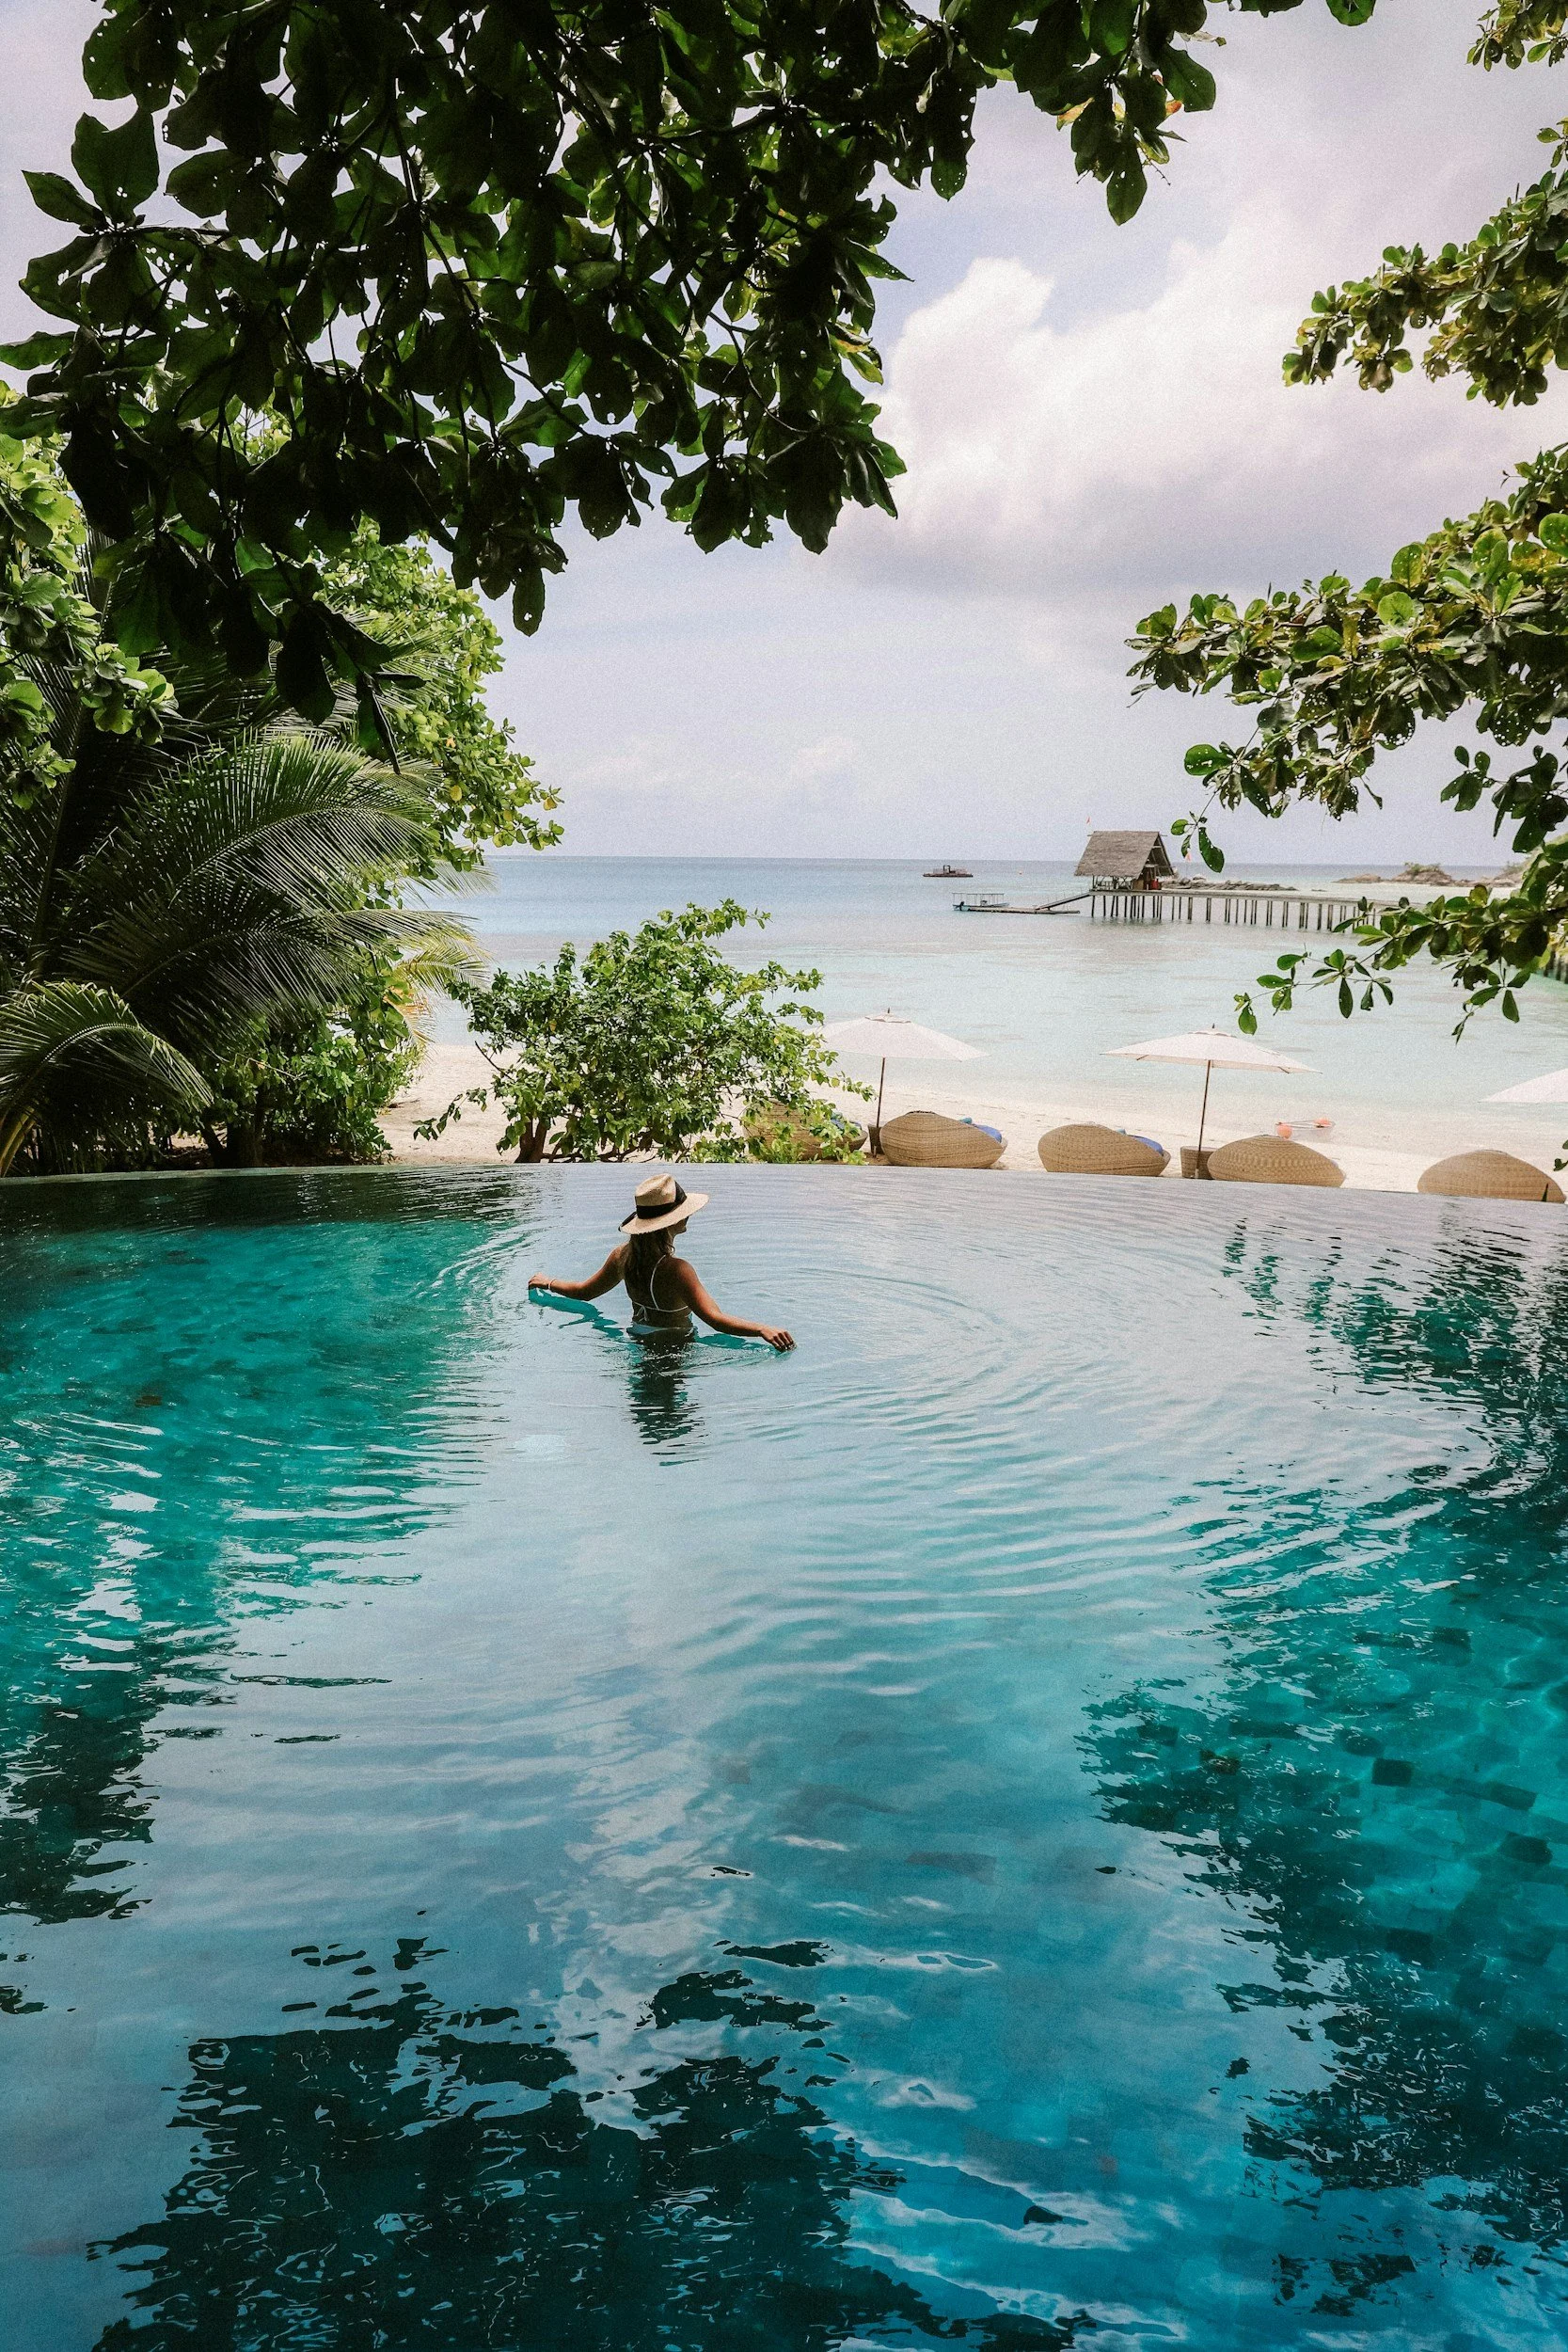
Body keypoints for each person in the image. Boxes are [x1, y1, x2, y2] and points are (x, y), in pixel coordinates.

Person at [528, 1172, 795, 1351]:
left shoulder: (622, 1256)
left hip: (637, 1342)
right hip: (675, 1350)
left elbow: (584, 1293)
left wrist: (548, 1282)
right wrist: (763, 1328)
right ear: (672, 1220)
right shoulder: (678, 1270)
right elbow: (714, 1319)